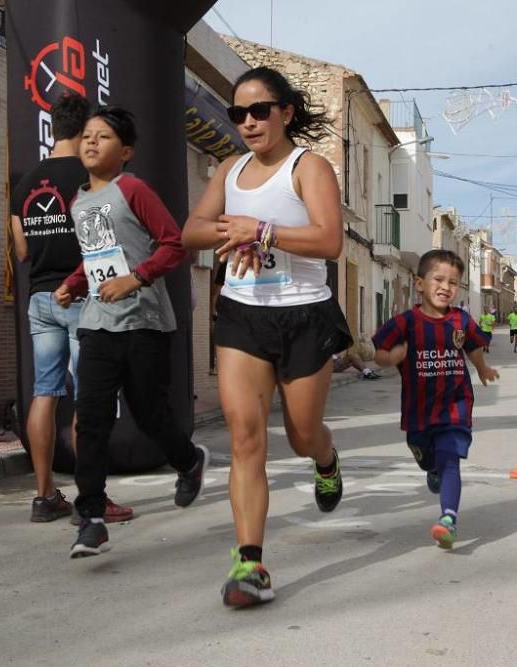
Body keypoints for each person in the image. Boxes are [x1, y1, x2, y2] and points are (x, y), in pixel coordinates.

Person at [182, 65, 352, 607]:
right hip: (243, 313)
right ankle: (249, 564)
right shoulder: (230, 169)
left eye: (259, 111)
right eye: (238, 114)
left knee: (302, 435)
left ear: (286, 112)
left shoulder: (309, 167)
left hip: (304, 315)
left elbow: (330, 242)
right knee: (246, 436)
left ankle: (325, 460)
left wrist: (264, 231)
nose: (248, 123)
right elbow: (191, 232)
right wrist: (232, 231)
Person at [56, 106, 209, 558]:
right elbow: (99, 254)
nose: (90, 143)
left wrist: (136, 279)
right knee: (92, 419)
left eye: (102, 137)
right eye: (86, 135)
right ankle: (91, 518)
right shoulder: (79, 199)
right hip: (98, 324)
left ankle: (188, 461)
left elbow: (174, 244)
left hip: (144, 322)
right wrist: (73, 283)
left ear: (125, 151)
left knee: (148, 414)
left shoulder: (133, 189)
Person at [8, 93, 132, 525]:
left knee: (45, 392)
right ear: (83, 133)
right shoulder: (91, 177)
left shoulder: (24, 186)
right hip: (83, 298)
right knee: (90, 399)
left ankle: (44, 497)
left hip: (40, 298)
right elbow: (104, 246)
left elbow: (22, 252)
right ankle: (90, 501)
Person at [372, 249, 499, 549]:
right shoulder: (406, 322)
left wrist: (482, 368)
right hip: (419, 411)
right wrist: (393, 357)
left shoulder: (461, 320)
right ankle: (430, 467)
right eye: (438, 279)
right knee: (427, 455)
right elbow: (377, 352)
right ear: (419, 284)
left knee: (450, 458)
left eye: (453, 283)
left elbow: (473, 347)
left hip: (456, 404)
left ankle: (448, 519)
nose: (446, 287)